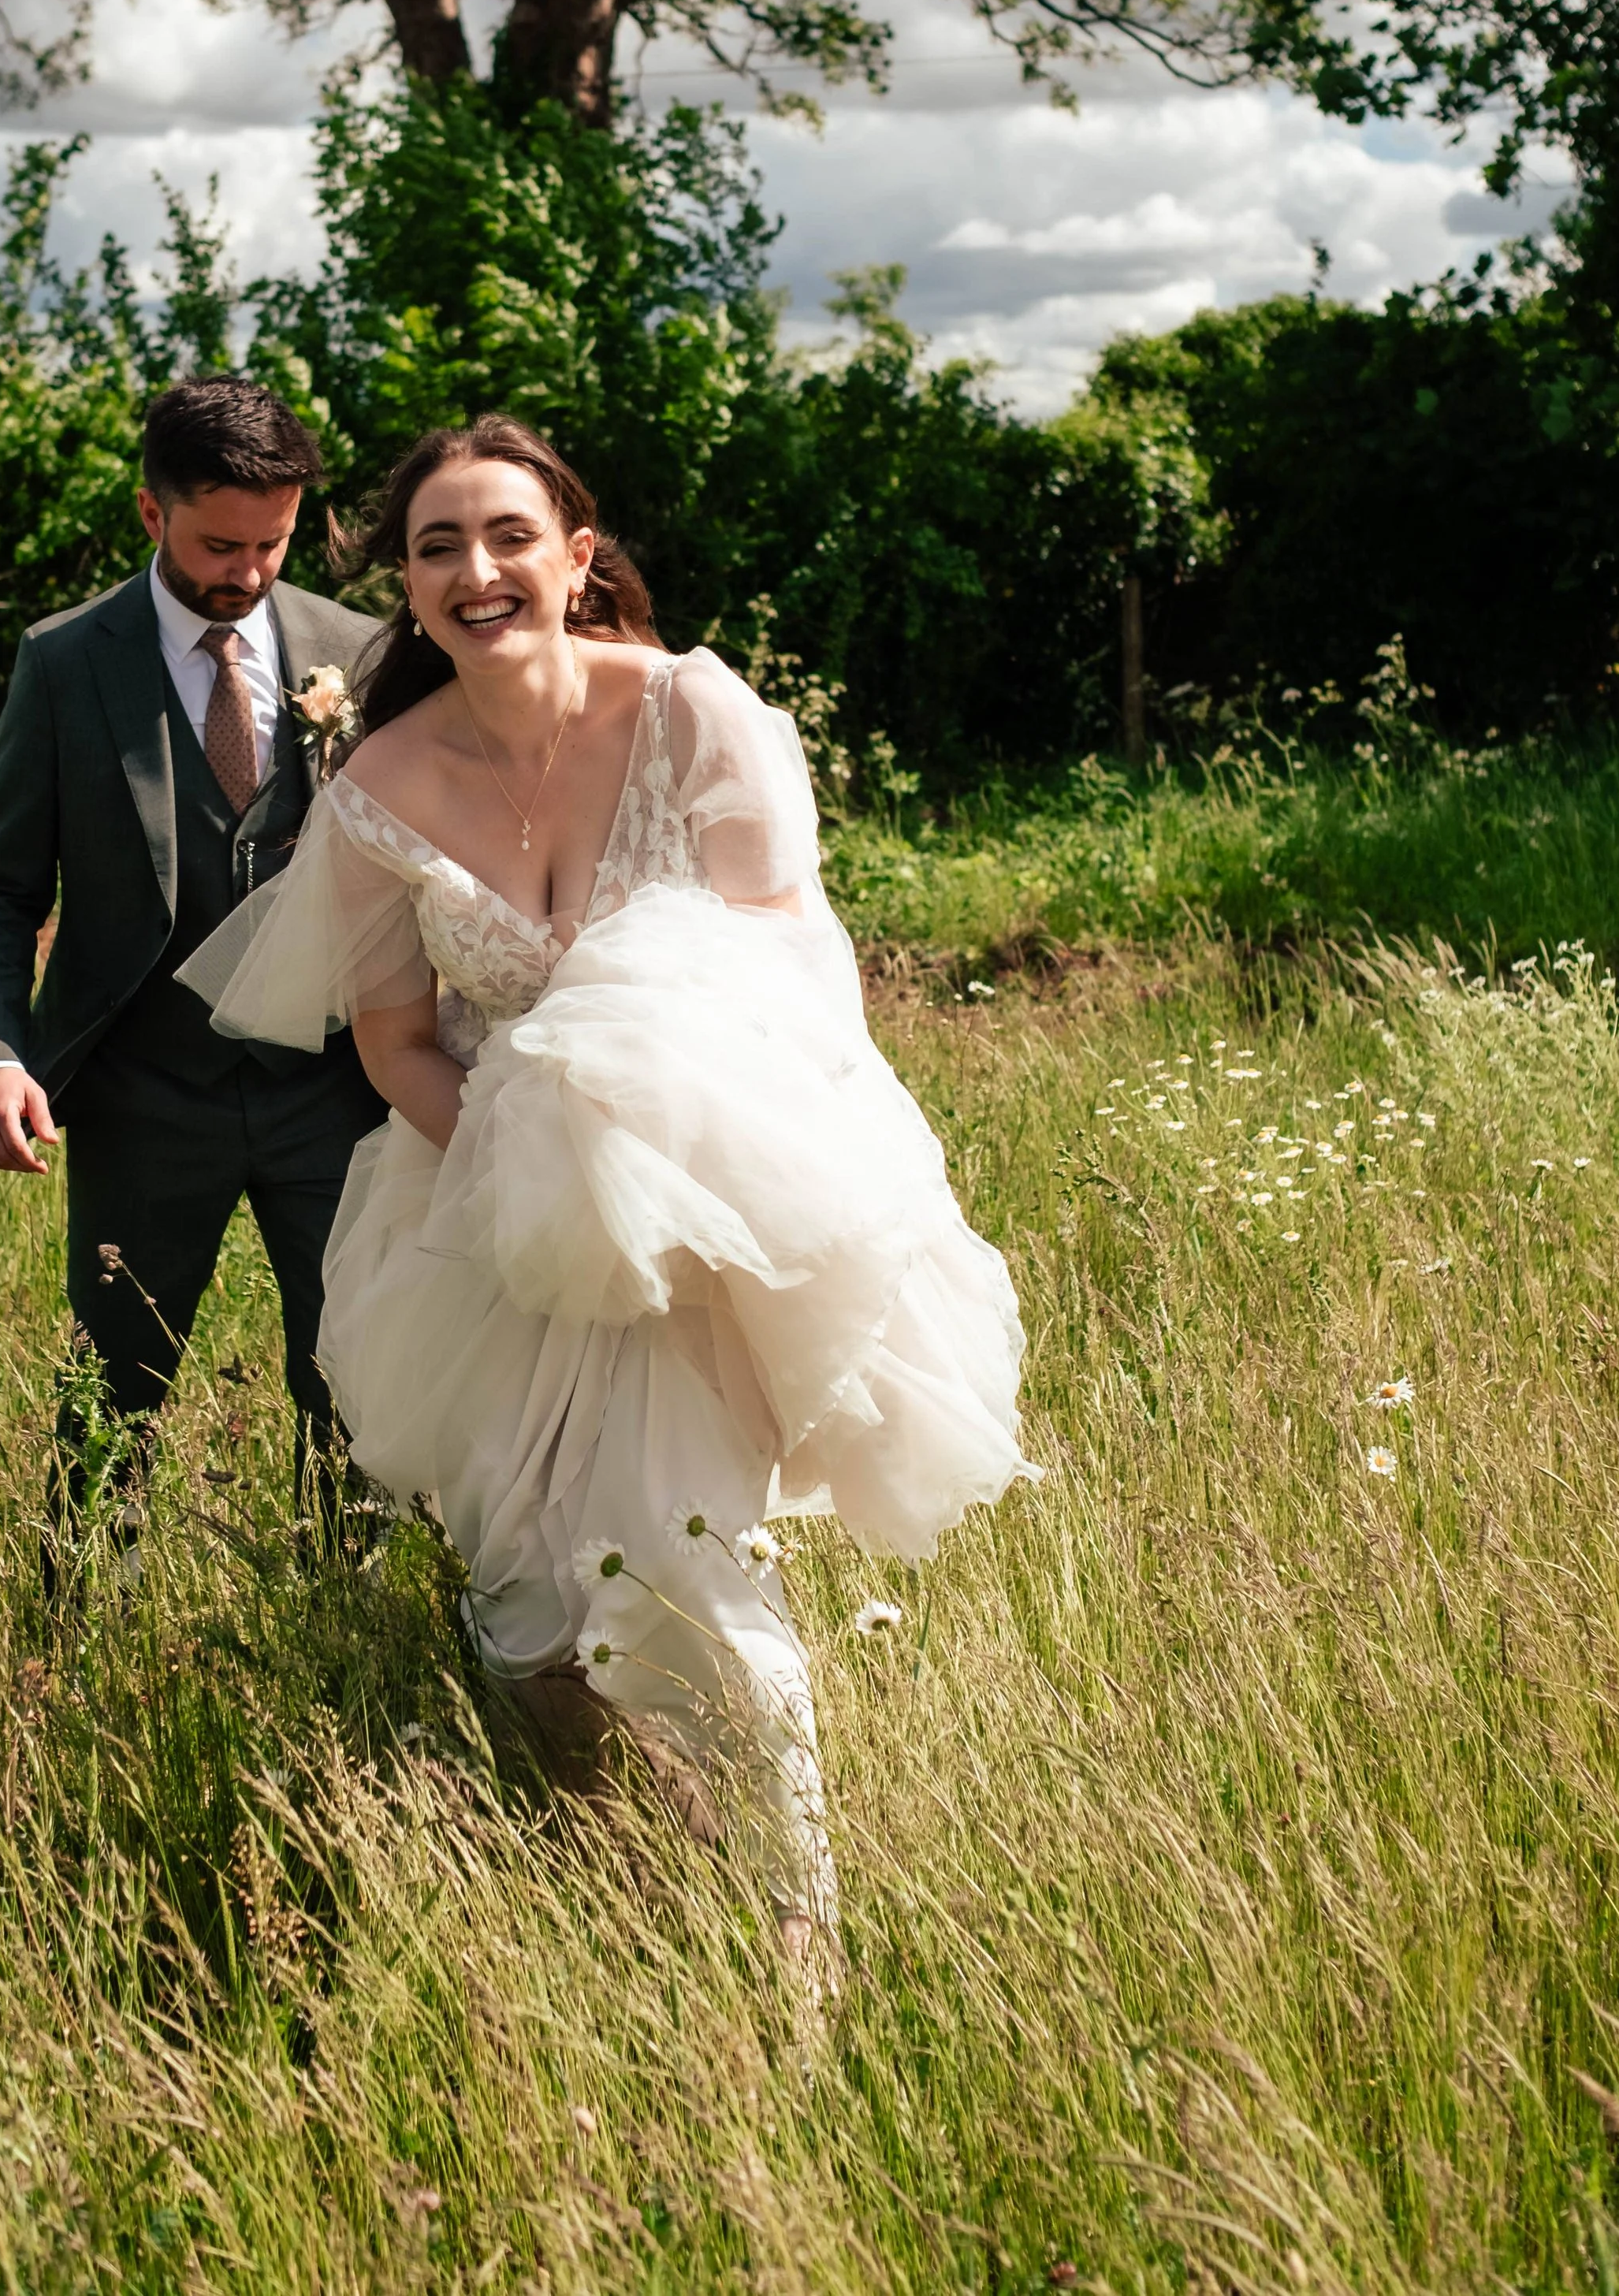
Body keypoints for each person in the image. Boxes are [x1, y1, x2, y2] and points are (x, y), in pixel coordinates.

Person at [181, 415, 1035, 1952]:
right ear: (407, 584)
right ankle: (640, 1891)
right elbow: (388, 1044)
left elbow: (791, 983)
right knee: (526, 1631)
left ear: (577, 558)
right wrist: (529, 1174)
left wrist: (662, 1189)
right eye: (436, 546)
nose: (474, 569)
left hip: (708, 1211)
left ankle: (793, 1982)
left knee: (696, 1598)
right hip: (484, 1223)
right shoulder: (377, 783)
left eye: (506, 535)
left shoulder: (697, 719)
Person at [0, 376, 387, 1559]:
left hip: (335, 1092)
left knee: (360, 1398)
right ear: (152, 514)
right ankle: (66, 1659)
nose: (247, 568)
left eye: (274, 541)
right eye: (218, 543)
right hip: (144, 1096)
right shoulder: (63, 662)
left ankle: (347, 1651)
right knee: (109, 1413)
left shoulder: (359, 651)